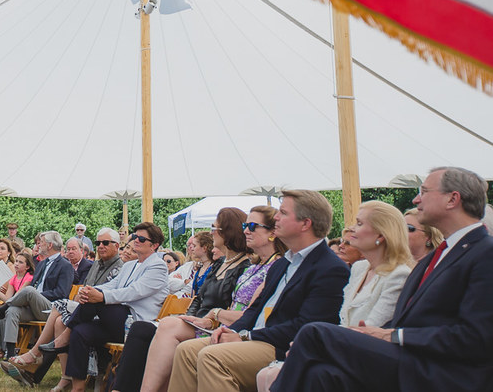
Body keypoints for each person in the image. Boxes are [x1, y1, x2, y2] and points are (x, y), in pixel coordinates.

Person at [272, 168, 493, 392]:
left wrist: (395, 335)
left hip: (443, 371)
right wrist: (380, 333)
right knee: (320, 374)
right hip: (413, 359)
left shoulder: (484, 253)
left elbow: (477, 337)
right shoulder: (436, 258)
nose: (417, 199)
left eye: (424, 191)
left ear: (452, 199)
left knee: (314, 334)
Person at [167, 190, 349, 392]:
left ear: (305, 224)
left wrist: (246, 337)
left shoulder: (329, 267)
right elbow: (255, 310)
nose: (276, 217)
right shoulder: (283, 264)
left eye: (283, 213)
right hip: (257, 338)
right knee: (186, 350)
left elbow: (306, 325)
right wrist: (232, 331)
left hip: (284, 346)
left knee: (211, 357)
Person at [256, 199, 414, 391]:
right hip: (344, 346)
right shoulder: (359, 268)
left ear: (381, 234)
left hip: (365, 355)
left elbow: (370, 330)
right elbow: (343, 321)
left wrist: (313, 348)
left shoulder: (398, 274)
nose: (352, 229)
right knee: (267, 374)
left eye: (360, 223)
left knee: (287, 361)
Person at [113, 208, 257, 392]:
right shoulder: (220, 264)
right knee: (143, 329)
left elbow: (232, 304)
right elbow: (198, 298)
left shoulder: (244, 267)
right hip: (198, 321)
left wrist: (204, 319)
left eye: (215, 227)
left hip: (215, 324)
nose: (211, 231)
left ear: (227, 231)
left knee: (160, 328)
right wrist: (188, 317)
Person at [5, 227, 125, 390]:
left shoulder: (121, 267)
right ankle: (62, 376)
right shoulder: (96, 264)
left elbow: (108, 295)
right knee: (59, 321)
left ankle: (34, 358)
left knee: (58, 311)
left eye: (105, 242)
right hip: (85, 310)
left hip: (104, 316)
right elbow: (85, 288)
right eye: (98, 243)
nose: (100, 246)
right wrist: (80, 296)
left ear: (117, 246)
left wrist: (85, 296)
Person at [57, 222, 168, 392]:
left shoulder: (158, 266)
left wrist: (100, 296)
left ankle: (66, 332)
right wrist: (90, 291)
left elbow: (133, 292)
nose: (135, 240)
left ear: (154, 245)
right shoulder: (130, 265)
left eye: (141, 238)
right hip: (115, 320)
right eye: (134, 237)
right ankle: (77, 387)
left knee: (97, 301)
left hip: (135, 324)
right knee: (81, 332)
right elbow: (112, 284)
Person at [0, 231, 74, 358]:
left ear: (50, 245)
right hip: (33, 305)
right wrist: (33, 296)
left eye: (42, 243)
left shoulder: (65, 265)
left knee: (29, 291)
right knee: (12, 310)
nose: (39, 245)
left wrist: (37, 295)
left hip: (51, 309)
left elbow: (61, 293)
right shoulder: (42, 264)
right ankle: (10, 353)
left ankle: (0, 311)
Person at [0, 251, 35, 360]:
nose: (16, 264)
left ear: (27, 267)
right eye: (16, 261)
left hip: (25, 309)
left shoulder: (29, 278)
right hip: (12, 305)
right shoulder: (13, 278)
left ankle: (7, 350)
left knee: (5, 313)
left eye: (20, 262)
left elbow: (18, 297)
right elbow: (8, 299)